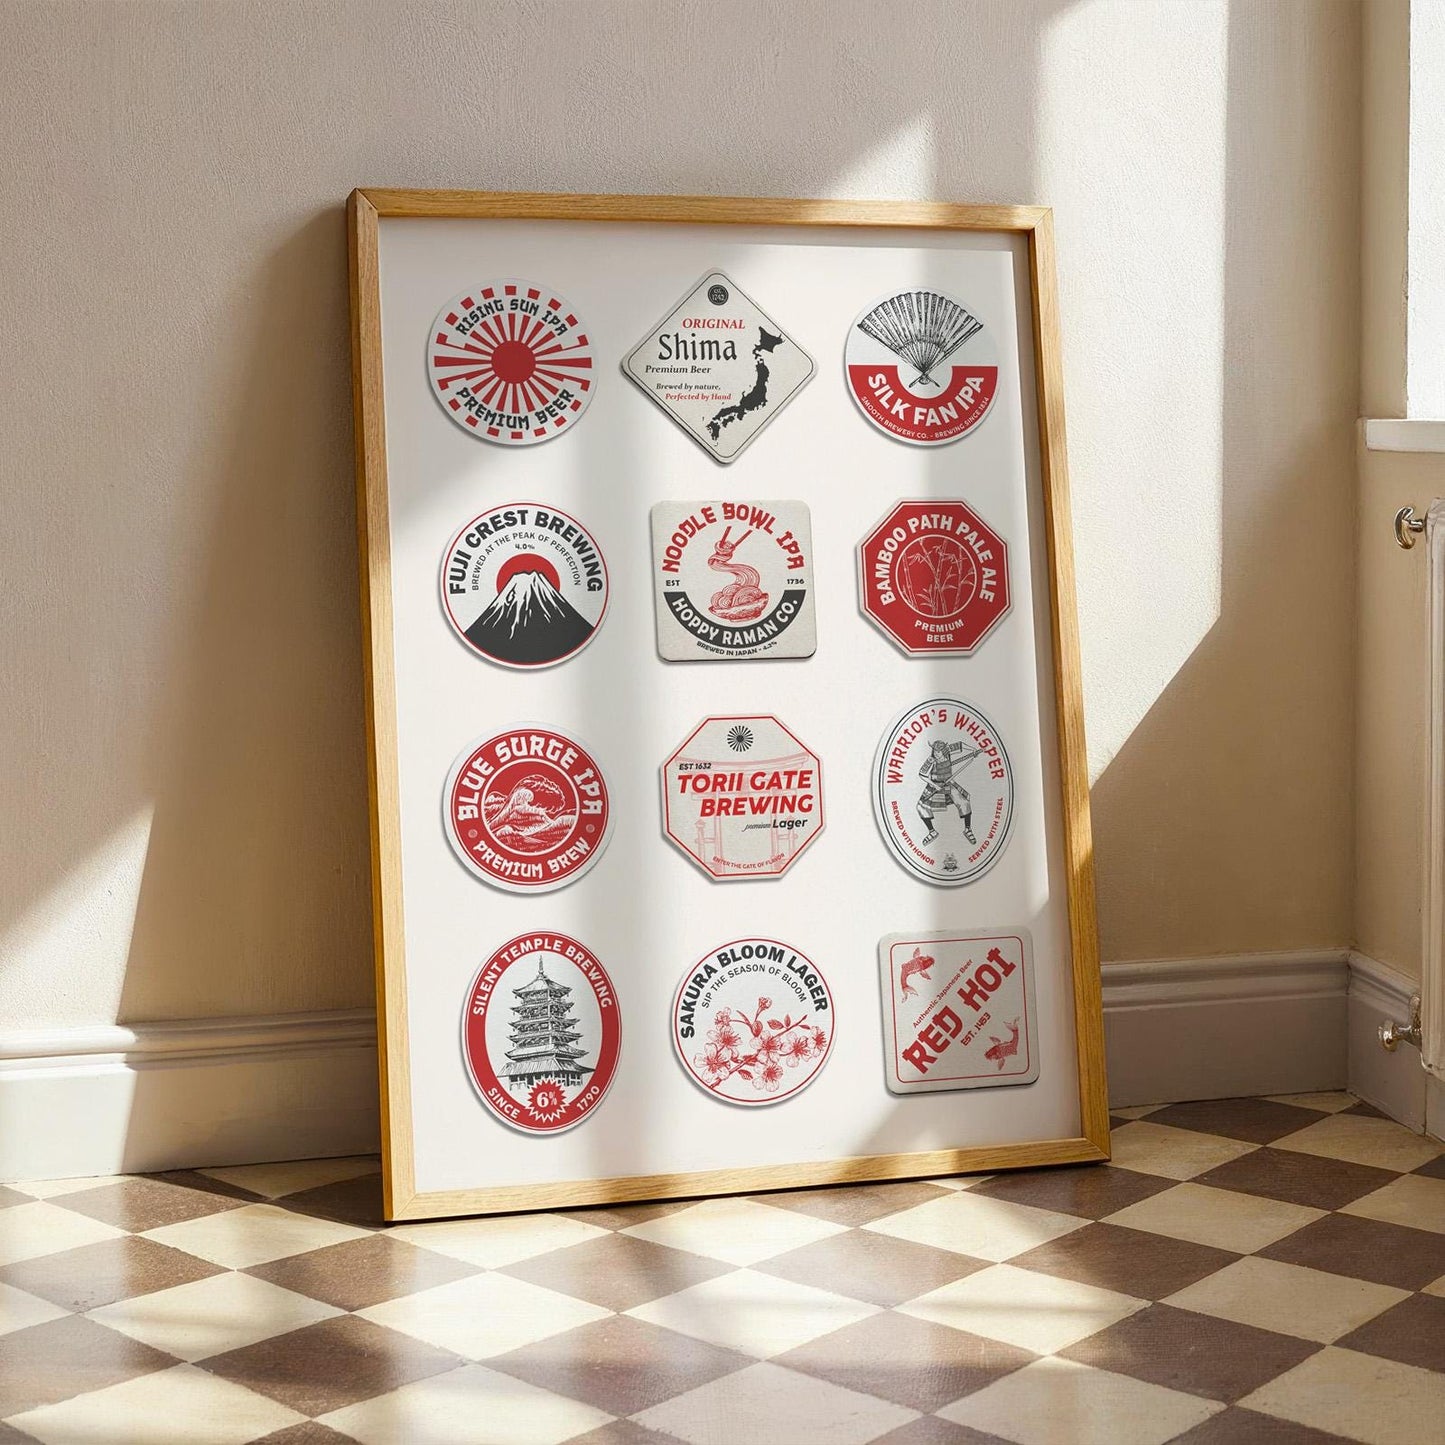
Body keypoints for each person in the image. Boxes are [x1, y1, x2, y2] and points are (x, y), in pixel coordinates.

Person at [917, 740, 981, 846]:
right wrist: (935, 785)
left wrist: (973, 750)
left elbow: (960, 744)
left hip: (949, 784)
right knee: (921, 807)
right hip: (935, 786)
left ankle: (968, 829)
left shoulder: (948, 751)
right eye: (935, 751)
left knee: (964, 802)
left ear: (944, 751)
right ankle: (932, 832)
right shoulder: (931, 760)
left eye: (938, 752)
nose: (936, 754)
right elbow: (922, 774)